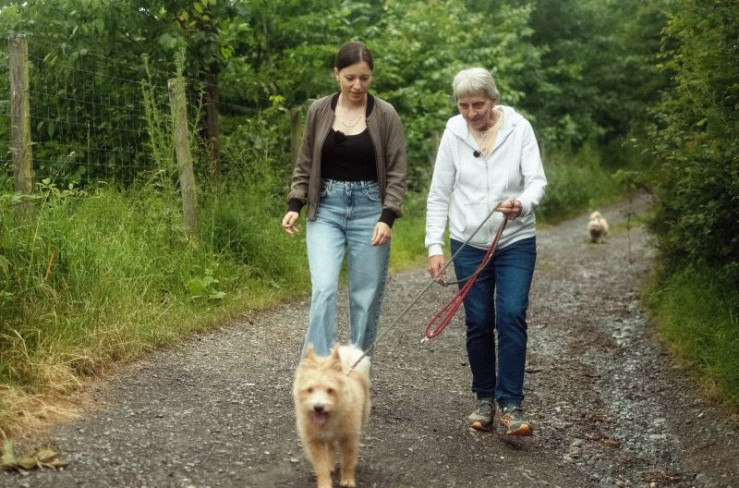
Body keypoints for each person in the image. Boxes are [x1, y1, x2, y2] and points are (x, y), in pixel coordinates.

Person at [425, 67, 546, 435]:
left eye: (477, 104)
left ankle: (511, 404)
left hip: (515, 239)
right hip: (468, 242)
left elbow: (537, 181)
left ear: (493, 100)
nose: (471, 113)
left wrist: (522, 204)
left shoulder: (519, 128)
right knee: (478, 320)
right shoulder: (453, 132)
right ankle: (484, 399)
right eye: (463, 105)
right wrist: (434, 246)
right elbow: (439, 193)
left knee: (511, 314)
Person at [282, 41, 407, 359]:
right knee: (324, 289)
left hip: (370, 210)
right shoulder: (319, 110)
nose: (357, 85)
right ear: (336, 73)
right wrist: (295, 204)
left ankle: (355, 373)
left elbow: (397, 171)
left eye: (364, 78)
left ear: (372, 76)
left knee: (364, 298)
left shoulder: (386, 115)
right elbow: (305, 161)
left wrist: (387, 216)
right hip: (326, 208)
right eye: (350, 77)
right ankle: (320, 372)